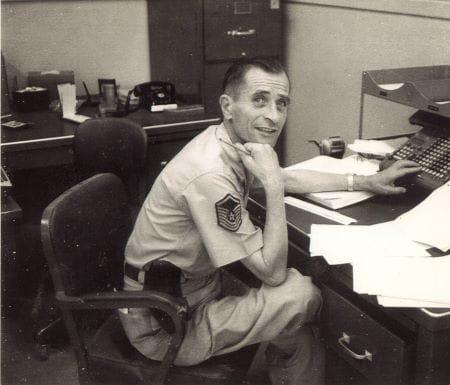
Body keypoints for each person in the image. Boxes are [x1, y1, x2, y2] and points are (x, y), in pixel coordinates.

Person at [119, 57, 421, 385]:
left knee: (302, 336)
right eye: (259, 100)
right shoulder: (210, 173)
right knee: (302, 294)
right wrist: (273, 187)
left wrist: (363, 182)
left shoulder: (224, 139)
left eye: (282, 103)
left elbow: (286, 178)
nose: (273, 116)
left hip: (194, 290)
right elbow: (273, 274)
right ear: (228, 105)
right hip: (165, 325)